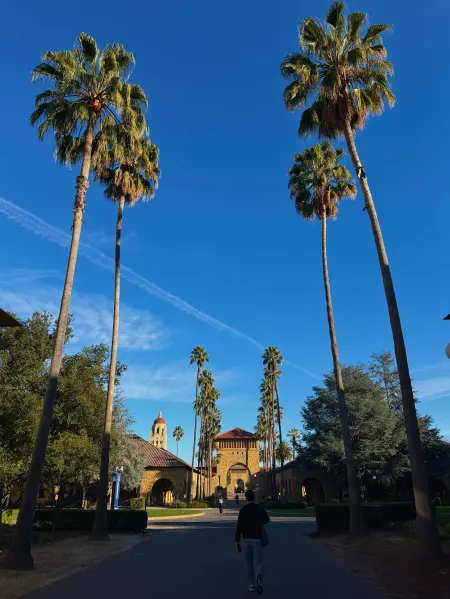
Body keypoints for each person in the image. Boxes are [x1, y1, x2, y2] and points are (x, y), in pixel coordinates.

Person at [235, 489, 270, 594]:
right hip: (257, 538)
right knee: (258, 562)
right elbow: (267, 520)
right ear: (254, 497)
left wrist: (237, 541)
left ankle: (251, 584)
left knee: (248, 563)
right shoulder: (259, 508)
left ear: (246, 498)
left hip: (246, 539)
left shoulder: (243, 510)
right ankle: (259, 579)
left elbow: (239, 526)